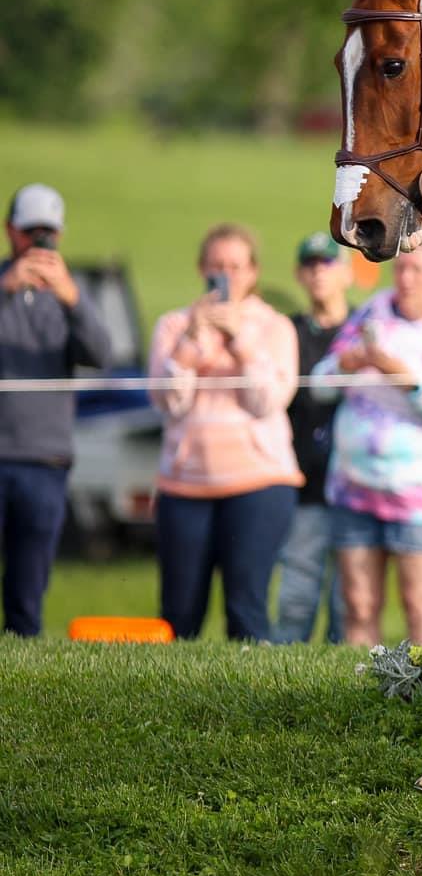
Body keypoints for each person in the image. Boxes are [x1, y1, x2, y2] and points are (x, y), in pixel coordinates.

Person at [313, 237, 422, 644]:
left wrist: (404, 376)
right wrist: (347, 363)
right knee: (357, 604)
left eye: (417, 271)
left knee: (421, 607)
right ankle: (354, 697)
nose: (405, 280)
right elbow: (320, 385)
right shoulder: (370, 315)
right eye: (400, 269)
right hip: (355, 487)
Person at [147, 224, 302, 641]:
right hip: (184, 484)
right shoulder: (172, 325)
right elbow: (167, 402)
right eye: (217, 266)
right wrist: (191, 342)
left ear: (252, 272)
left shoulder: (275, 328)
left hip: (259, 482)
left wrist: (242, 342)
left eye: (235, 266)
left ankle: (249, 697)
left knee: (246, 604)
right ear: (202, 268)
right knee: (179, 610)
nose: (226, 275)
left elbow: (267, 401)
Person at [0, 183, 113, 636]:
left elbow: (102, 354)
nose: (39, 243)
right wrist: (5, 288)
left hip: (44, 459)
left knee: (28, 585)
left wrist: (71, 298)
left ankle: (22, 665)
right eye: (31, 233)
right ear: (11, 232)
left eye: (48, 234)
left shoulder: (71, 297)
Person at [273, 233, 355, 644]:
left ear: (346, 273)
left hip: (355, 485)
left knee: (347, 603)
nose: (319, 273)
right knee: (296, 597)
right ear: (298, 275)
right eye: (311, 265)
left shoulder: (365, 329)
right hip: (304, 480)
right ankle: (280, 676)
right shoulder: (286, 331)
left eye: (327, 264)